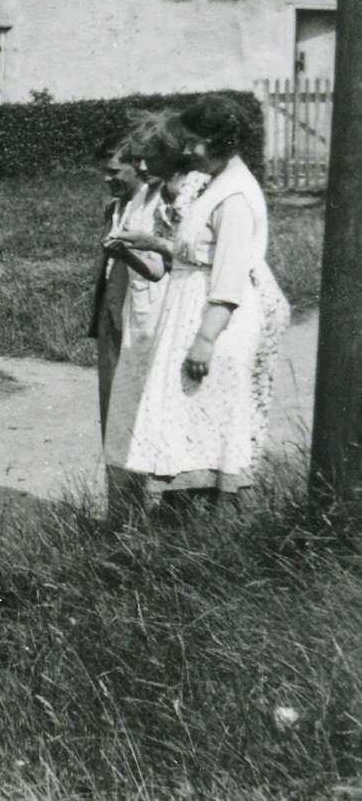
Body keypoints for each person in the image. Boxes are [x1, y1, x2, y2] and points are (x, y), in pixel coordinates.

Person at [103, 96, 291, 514]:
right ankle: (186, 519)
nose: (186, 151)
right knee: (187, 418)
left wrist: (205, 339)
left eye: (193, 142)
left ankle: (216, 522)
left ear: (219, 141)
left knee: (208, 420)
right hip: (191, 310)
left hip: (216, 321)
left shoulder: (235, 195)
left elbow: (228, 280)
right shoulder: (215, 183)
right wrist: (154, 244)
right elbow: (198, 254)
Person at [89, 134, 164, 437]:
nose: (107, 179)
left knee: (140, 392)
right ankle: (115, 466)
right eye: (104, 172)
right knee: (111, 391)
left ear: (136, 166)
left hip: (143, 307)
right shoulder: (115, 208)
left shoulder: (155, 205)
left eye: (114, 171)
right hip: (112, 304)